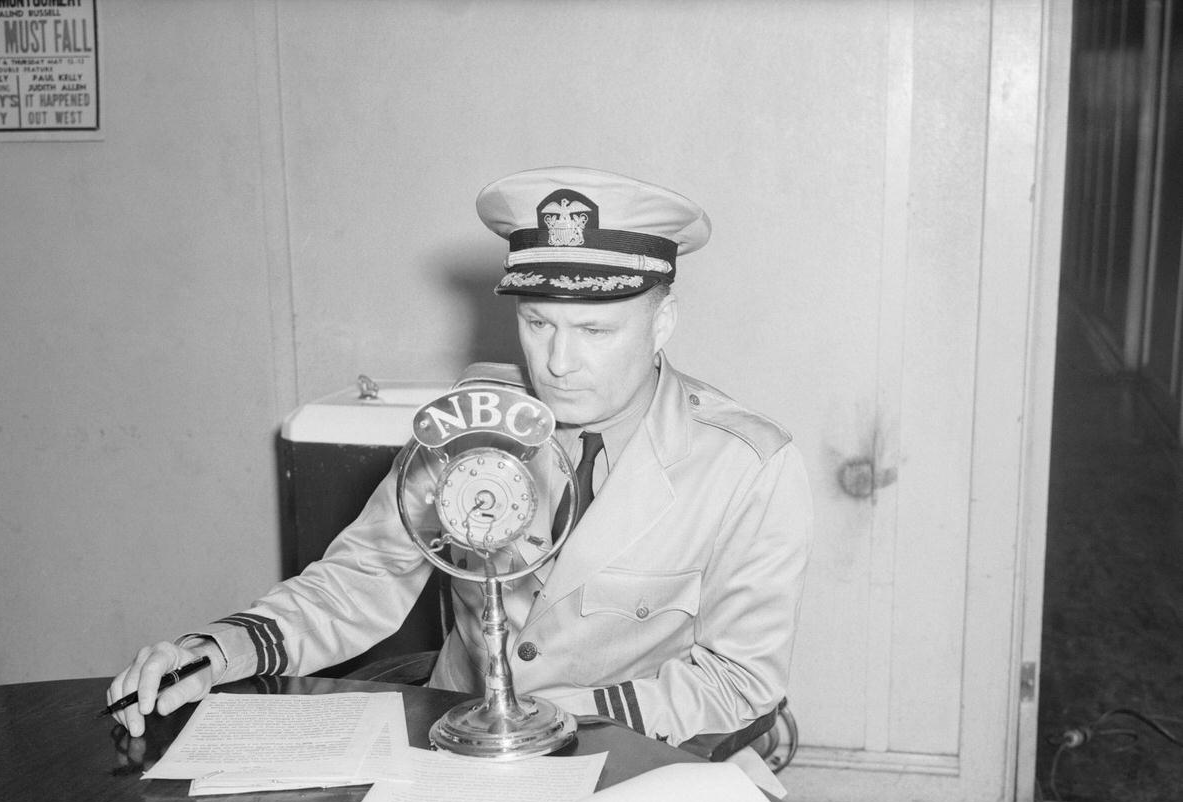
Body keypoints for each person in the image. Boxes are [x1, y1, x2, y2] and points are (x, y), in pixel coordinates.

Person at [108, 166, 813, 749]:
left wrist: (564, 718)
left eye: (595, 329)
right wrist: (222, 648)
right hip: (456, 742)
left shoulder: (747, 466)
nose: (559, 362)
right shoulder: (470, 424)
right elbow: (362, 578)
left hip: (634, 754)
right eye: (537, 323)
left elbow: (737, 680)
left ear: (662, 322)